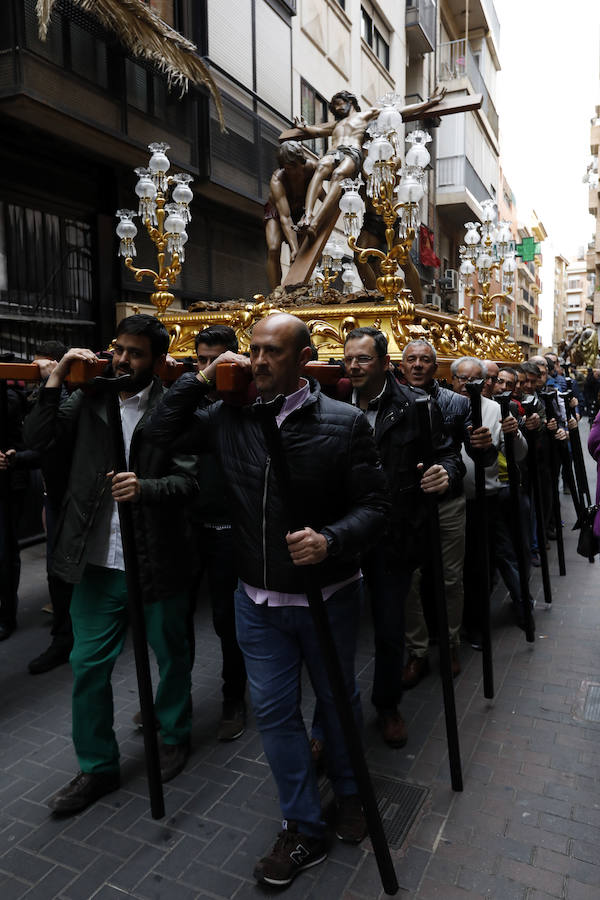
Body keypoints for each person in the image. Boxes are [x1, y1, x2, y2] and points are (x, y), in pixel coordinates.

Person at [148, 312, 390, 888]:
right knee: (277, 716)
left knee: (337, 701)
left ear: (301, 358)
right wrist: (203, 377)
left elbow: (377, 507)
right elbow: (155, 434)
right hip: (256, 602)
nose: (258, 361)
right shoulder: (228, 418)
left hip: (326, 596)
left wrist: (329, 539)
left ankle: (351, 791)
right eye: (253, 349)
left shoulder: (345, 421)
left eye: (273, 352)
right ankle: (303, 826)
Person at [23, 315, 198, 815]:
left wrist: (147, 488)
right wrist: (57, 376)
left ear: (158, 362)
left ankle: (173, 734)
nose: (123, 360)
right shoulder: (90, 398)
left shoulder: (175, 408)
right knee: (87, 667)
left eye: (136, 353)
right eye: (118, 350)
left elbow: (190, 482)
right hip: (98, 561)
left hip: (156, 556)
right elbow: (38, 436)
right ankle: (96, 767)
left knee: (171, 655)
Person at [339, 328, 462, 745]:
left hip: (392, 537)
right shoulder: (333, 404)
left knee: (389, 630)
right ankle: (331, 719)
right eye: (348, 358)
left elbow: (448, 454)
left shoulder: (417, 407)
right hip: (342, 537)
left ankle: (387, 705)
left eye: (363, 359)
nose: (354, 366)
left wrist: (446, 471)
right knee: (335, 633)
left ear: (384, 363)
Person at [400, 340, 493, 687]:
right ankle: (418, 650)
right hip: (408, 505)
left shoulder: (456, 403)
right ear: (403, 365)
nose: (419, 365)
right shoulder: (392, 400)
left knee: (450, 579)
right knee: (410, 580)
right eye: (412, 359)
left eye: (426, 359)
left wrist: (485, 446)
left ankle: (451, 644)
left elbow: (475, 457)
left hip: (448, 501)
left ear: (436, 366)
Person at [191, 325, 247, 741]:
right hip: (190, 528)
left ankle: (233, 698)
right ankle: (173, 698)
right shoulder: (189, 402)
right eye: (201, 361)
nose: (207, 369)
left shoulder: (241, 405)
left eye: (216, 361)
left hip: (230, 531)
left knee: (228, 621)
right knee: (175, 616)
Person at [452, 357, 530, 644]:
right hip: (450, 499)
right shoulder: (443, 405)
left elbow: (518, 453)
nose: (467, 384)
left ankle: (477, 624)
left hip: (486, 500)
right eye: (462, 377)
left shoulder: (497, 409)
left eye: (475, 379)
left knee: (481, 565)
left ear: (485, 382)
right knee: (453, 569)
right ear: (453, 379)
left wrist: (516, 433)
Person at [264, 141, 321, 289]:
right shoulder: (278, 179)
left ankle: (294, 289)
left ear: (302, 162)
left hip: (300, 212)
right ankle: (275, 292)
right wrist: (293, 246)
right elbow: (285, 217)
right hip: (278, 213)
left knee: (300, 255)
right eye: (289, 168)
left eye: (296, 166)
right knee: (273, 248)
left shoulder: (312, 168)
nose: (294, 172)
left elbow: (322, 194)